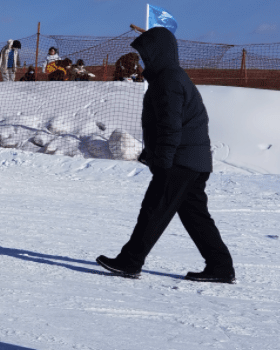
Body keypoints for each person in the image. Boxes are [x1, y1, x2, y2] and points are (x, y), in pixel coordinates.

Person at [97, 27, 235, 283]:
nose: (141, 60)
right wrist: (151, 151)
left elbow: (171, 125)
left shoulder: (168, 80)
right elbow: (166, 122)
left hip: (180, 160)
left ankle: (130, 261)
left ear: (157, 53)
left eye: (144, 54)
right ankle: (221, 266)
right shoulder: (170, 77)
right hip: (192, 160)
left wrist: (161, 160)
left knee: (153, 210)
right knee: (195, 216)